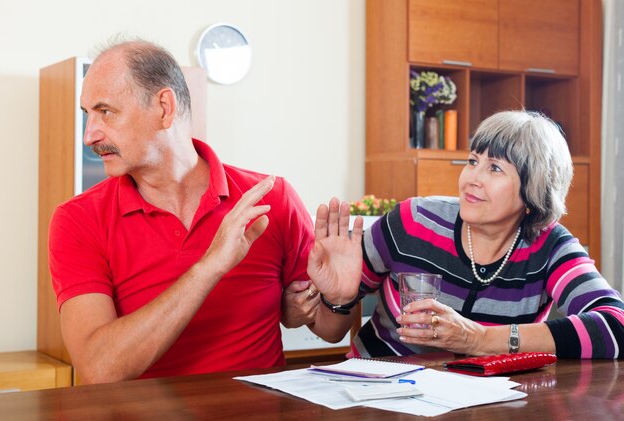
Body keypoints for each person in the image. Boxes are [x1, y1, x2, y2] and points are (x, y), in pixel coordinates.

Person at [48, 39, 319, 383]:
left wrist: (341, 294)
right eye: (87, 114)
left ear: (164, 107)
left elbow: (323, 324)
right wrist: (209, 267)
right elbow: (98, 368)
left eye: (105, 111)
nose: (89, 135)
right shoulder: (77, 220)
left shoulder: (272, 198)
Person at [305, 110, 624, 359]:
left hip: (488, 403)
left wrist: (480, 339)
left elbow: (616, 326)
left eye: (495, 168)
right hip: (377, 391)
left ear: (533, 192)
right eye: (473, 161)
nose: (472, 178)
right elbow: (330, 334)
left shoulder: (550, 246)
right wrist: (338, 300)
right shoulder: (415, 221)